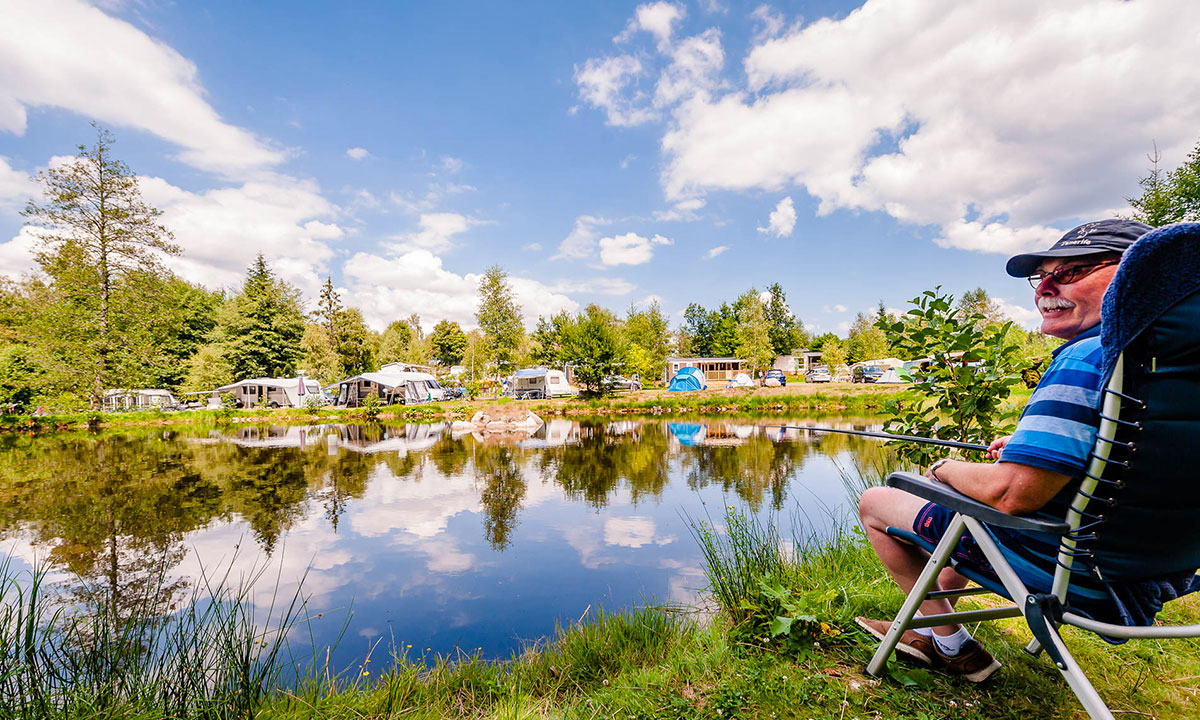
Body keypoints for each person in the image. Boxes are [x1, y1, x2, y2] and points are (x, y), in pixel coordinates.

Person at [856, 219, 1153, 682]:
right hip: (1154, 568)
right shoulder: (1165, 364)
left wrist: (945, 466)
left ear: (1136, 275)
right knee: (962, 507)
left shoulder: (1087, 356)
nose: (1045, 288)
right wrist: (1030, 449)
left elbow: (1013, 495)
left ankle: (951, 643)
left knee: (880, 500)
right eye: (1043, 277)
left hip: (1076, 570)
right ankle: (929, 628)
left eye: (1071, 272)